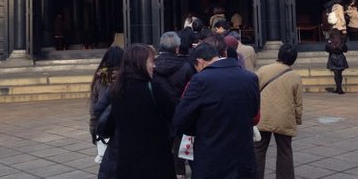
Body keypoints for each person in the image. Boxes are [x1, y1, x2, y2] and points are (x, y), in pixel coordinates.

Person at [173, 43, 260, 179]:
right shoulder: (250, 78)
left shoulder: (200, 80)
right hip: (243, 156)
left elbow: (180, 119)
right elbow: (254, 113)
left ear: (200, 62)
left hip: (212, 155)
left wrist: (198, 130)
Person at [110, 43, 176, 179]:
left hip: (127, 160)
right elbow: (175, 113)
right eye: (151, 61)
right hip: (156, 160)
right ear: (140, 64)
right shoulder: (154, 88)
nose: (154, 66)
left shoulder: (117, 89)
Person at [254, 44, 303, 179]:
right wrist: (297, 118)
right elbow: (298, 102)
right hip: (284, 117)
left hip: (263, 116)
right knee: (285, 151)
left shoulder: (263, 70)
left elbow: (254, 92)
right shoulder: (294, 76)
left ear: (279, 55)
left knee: (258, 149)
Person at [153, 31, 196, 179]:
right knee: (180, 140)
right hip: (180, 108)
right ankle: (180, 171)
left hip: (158, 110)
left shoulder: (151, 66)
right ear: (177, 48)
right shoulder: (187, 67)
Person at [89, 46, 124, 176]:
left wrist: (93, 130)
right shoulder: (125, 79)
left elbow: (94, 110)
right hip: (120, 129)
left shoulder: (99, 79)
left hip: (103, 128)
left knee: (106, 165)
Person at [325, 29, 349, 94]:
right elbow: (345, 50)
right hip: (340, 58)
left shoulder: (329, 41)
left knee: (336, 74)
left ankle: (339, 88)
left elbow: (327, 49)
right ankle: (339, 88)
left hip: (333, 58)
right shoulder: (341, 40)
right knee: (339, 74)